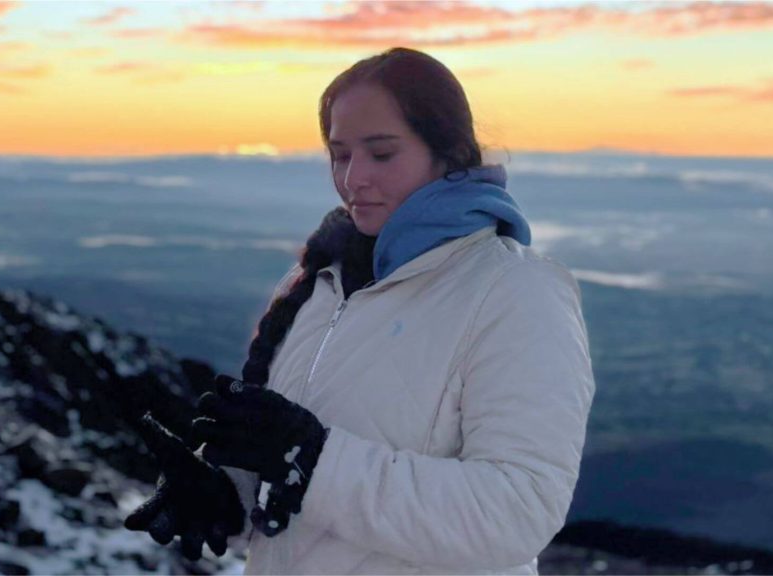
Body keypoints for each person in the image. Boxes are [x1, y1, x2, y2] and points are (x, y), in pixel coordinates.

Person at [124, 46, 595, 575]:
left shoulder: (517, 291)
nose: (353, 180)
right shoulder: (317, 281)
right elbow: (301, 478)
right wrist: (223, 493)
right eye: (340, 154)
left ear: (448, 152)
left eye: (381, 153)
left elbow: (516, 513)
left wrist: (313, 460)